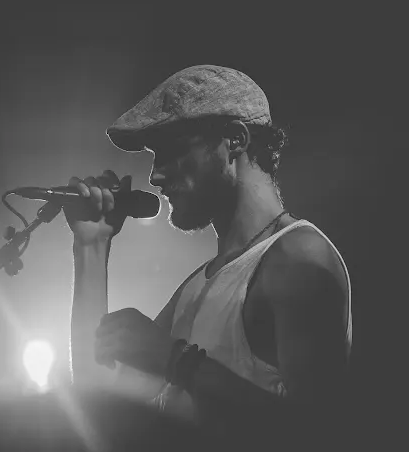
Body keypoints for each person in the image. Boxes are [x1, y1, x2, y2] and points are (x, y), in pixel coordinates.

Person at [64, 65, 352, 448]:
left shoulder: (298, 259)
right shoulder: (198, 285)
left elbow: (321, 436)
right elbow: (97, 402)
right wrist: (91, 246)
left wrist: (177, 362)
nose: (154, 176)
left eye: (171, 150)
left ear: (235, 140)